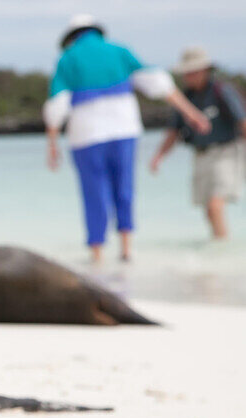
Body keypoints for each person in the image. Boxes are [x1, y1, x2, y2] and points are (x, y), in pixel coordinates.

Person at [43, 15, 210, 263]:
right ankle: (126, 248)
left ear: (72, 37)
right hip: (124, 128)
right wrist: (192, 114)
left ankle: (97, 252)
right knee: (125, 187)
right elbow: (158, 84)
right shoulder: (118, 51)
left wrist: (53, 145)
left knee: (94, 192)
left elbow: (57, 106)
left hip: (86, 134)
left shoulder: (68, 58)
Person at [150, 47, 246, 240]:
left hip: (226, 151)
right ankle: (218, 247)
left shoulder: (222, 91)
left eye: (192, 71)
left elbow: (241, 121)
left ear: (205, 70)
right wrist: (158, 157)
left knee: (215, 205)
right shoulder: (185, 98)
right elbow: (173, 132)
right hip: (200, 155)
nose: (188, 76)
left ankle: (221, 251)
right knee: (207, 209)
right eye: (186, 72)